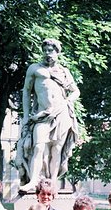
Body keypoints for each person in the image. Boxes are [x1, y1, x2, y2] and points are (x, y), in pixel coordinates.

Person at [16, 38, 80, 192]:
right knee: (38, 147)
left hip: (61, 114)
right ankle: (33, 181)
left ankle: (52, 183)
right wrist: (25, 116)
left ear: (58, 52)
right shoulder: (35, 69)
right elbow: (26, 92)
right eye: (45, 50)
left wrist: (67, 102)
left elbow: (76, 91)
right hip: (42, 115)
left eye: (50, 51)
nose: (47, 54)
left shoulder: (64, 72)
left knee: (57, 149)